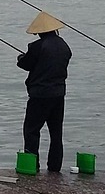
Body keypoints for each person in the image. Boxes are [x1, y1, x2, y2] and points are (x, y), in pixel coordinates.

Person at [16, 11, 73, 172]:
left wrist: (21, 58)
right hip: (59, 95)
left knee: (31, 130)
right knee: (56, 133)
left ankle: (32, 166)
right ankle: (55, 168)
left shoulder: (37, 46)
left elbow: (26, 64)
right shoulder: (64, 46)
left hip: (40, 95)